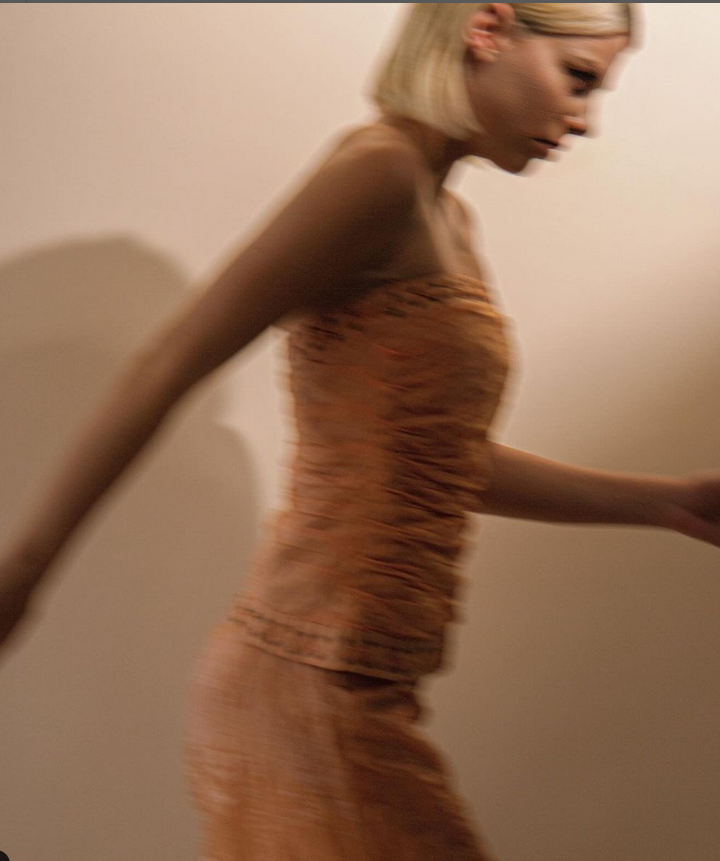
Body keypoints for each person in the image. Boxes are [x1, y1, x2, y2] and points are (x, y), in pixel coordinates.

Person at [1, 3, 719, 859]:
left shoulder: (447, 219)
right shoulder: (378, 173)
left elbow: (433, 459)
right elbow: (169, 364)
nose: (585, 119)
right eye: (578, 79)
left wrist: (669, 503)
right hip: (306, 682)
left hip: (357, 680)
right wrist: (23, 574)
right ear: (487, 28)